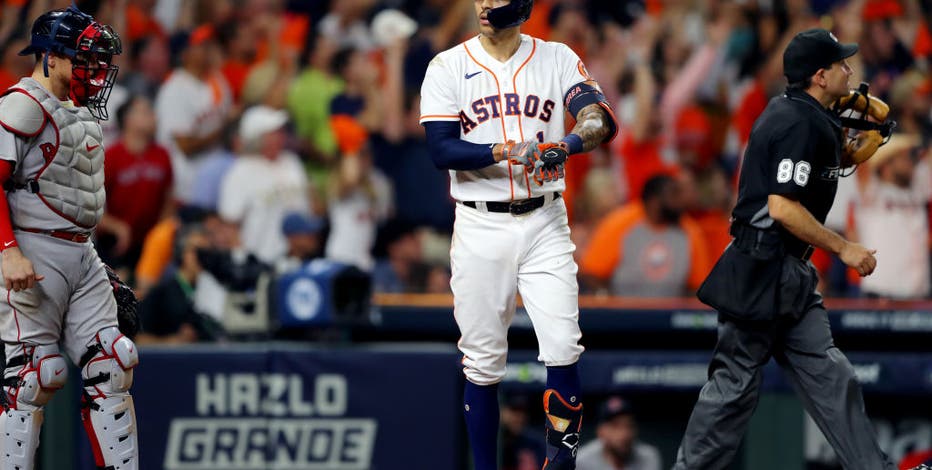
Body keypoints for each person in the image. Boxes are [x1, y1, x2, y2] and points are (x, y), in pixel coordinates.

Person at [673, 29, 897, 470]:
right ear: (819, 75)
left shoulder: (807, 115)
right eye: (841, 64)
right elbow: (781, 206)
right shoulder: (797, 121)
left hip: (790, 274)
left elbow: (801, 176)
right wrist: (844, 248)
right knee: (732, 392)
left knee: (834, 378)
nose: (849, 71)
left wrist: (846, 157)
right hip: (762, 265)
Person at [418, 0, 618, 467]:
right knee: (483, 364)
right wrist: (505, 149)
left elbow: (597, 118)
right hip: (479, 221)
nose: (485, 5)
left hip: (545, 219)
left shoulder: (556, 57)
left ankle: (561, 463)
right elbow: (441, 148)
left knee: (564, 344)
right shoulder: (448, 65)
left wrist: (564, 145)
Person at [0, 5, 139, 470]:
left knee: (113, 362)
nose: (95, 69)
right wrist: (8, 251)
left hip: (79, 251)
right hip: (31, 251)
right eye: (84, 58)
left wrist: (90, 262)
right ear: (51, 58)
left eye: (97, 59)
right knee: (33, 378)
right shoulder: (22, 103)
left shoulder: (77, 108)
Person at [579, 174, 711, 297]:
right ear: (653, 202)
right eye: (673, 195)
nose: (680, 202)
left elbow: (698, 286)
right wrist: (609, 300)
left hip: (670, 314)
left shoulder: (690, 230)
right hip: (623, 313)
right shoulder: (620, 223)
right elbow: (591, 272)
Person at [576, 396, 661, 470]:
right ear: (600, 431)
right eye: (615, 426)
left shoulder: (648, 457)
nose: (624, 433)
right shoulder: (582, 461)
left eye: (629, 425)